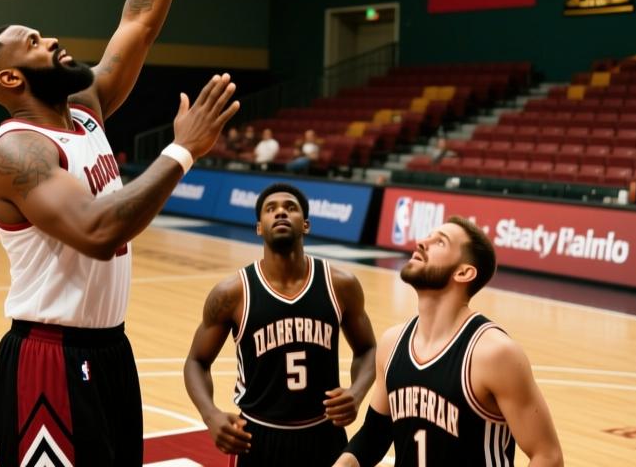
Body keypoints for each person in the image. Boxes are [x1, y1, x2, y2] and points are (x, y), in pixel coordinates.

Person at [0, 0, 239, 467]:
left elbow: (137, 25)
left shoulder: (84, 108)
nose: (51, 41)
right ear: (10, 79)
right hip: (49, 354)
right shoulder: (18, 153)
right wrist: (182, 150)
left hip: (109, 349)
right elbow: (96, 231)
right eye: (33, 43)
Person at [333, 216, 563, 467]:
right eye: (428, 236)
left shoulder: (494, 353)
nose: (422, 242)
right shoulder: (392, 343)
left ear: (463, 272)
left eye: (440, 242)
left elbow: (547, 455)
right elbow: (374, 436)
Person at [184, 183, 377, 465]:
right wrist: (210, 414)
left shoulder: (340, 285)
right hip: (258, 437)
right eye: (270, 209)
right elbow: (196, 362)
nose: (281, 213)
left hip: (323, 433)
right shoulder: (232, 293)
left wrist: (356, 393)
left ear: (306, 225)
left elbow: (368, 349)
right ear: (259, 228)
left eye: (290, 208)